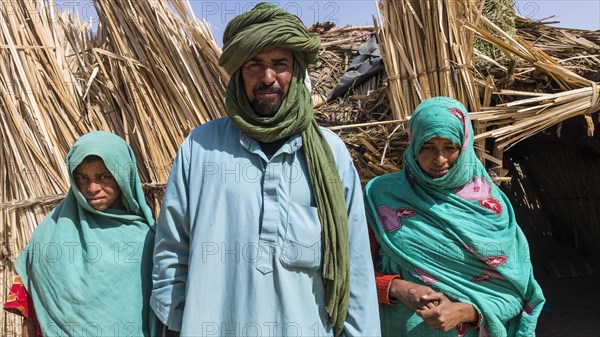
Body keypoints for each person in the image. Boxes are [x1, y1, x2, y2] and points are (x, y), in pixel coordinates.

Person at [150, 3, 380, 337]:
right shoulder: (200, 148)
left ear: (296, 70)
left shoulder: (331, 154)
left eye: (279, 65)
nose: (267, 77)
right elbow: (172, 249)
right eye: (254, 65)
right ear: (239, 72)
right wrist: (178, 324)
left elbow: (354, 263)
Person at [364, 97, 545, 337]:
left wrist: (465, 312)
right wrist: (397, 287)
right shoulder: (381, 197)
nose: (439, 159)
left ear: (465, 145)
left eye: (450, 147)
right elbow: (353, 273)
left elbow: (517, 295)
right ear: (413, 143)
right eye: (428, 146)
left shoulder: (490, 207)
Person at [4, 131, 156, 337]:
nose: (92, 188)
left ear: (123, 175)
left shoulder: (147, 239)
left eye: (104, 176)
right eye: (82, 178)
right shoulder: (50, 233)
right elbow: (29, 316)